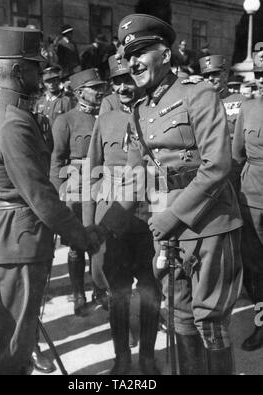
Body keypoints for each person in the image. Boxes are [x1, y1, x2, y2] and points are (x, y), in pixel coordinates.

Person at [96, 13, 243, 375]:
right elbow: (135, 174)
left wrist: (171, 217)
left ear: (164, 52)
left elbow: (218, 166)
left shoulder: (199, 94)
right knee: (178, 318)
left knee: (209, 321)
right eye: (128, 55)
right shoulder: (140, 111)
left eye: (141, 51)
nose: (132, 62)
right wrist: (100, 227)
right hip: (168, 231)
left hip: (209, 225)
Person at [0, 26, 102, 376]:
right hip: (18, 245)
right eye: (34, 66)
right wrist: (83, 236)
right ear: (19, 71)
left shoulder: (3, 114)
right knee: (15, 354)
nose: (41, 72)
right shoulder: (13, 124)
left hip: (10, 241)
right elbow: (40, 195)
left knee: (20, 339)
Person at [83, 54, 161, 375]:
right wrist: (89, 223)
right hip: (113, 217)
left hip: (147, 217)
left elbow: (165, 170)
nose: (123, 86)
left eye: (128, 79)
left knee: (149, 291)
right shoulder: (106, 120)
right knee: (117, 292)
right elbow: (89, 172)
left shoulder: (157, 117)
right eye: (117, 81)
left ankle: (146, 357)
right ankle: (122, 359)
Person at [50, 68, 107, 317]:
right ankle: (77, 293)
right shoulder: (66, 120)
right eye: (93, 87)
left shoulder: (106, 116)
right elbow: (55, 161)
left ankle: (99, 290)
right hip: (75, 186)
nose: (99, 91)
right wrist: (59, 194)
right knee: (76, 244)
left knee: (99, 240)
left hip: (102, 185)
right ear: (79, 93)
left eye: (100, 86)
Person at [232, 51, 263, 352]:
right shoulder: (248, 107)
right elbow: (236, 154)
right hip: (251, 196)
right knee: (255, 265)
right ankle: (261, 324)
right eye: (260, 76)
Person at [199, 55, 245, 140]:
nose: (210, 78)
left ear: (225, 76)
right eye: (206, 75)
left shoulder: (242, 101)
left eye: (215, 74)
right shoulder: (197, 105)